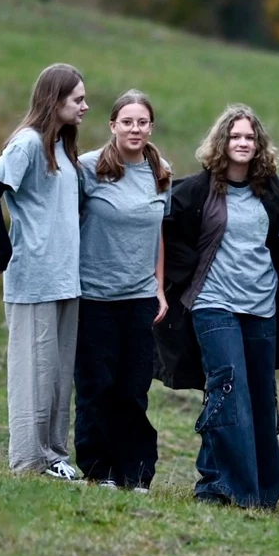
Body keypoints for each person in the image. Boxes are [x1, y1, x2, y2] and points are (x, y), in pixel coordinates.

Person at [156, 104, 279, 508]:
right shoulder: (199, 190)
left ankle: (262, 491)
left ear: (259, 144)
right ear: (223, 142)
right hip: (213, 303)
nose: (243, 143)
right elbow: (163, 226)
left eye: (250, 137)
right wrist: (176, 280)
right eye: (235, 136)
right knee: (227, 387)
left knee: (259, 396)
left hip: (262, 307)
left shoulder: (275, 193)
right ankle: (221, 485)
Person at [0, 63, 89, 481]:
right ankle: (28, 461)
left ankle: (55, 455)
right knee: (34, 373)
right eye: (77, 99)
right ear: (54, 100)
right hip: (34, 277)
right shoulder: (26, 143)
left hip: (65, 278)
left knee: (58, 375)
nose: (84, 106)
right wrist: (3, 252)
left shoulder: (61, 147)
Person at [74, 89, 172, 492]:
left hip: (139, 299)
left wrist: (160, 287)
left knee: (134, 390)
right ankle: (99, 470)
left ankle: (136, 472)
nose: (135, 128)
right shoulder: (87, 168)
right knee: (97, 387)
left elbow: (159, 234)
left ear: (151, 127)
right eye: (127, 121)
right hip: (93, 297)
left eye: (142, 122)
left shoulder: (160, 171)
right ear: (112, 125)